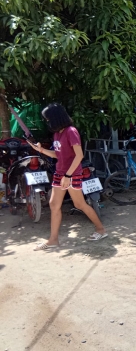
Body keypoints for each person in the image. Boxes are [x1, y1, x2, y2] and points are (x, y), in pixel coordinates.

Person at [28, 103, 106, 250]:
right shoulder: (57, 133)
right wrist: (41, 150)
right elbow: (58, 155)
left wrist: (68, 175)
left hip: (71, 173)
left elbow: (79, 155)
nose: (47, 121)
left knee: (79, 204)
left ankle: (101, 229)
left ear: (55, 117)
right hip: (60, 173)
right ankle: (53, 240)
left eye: (48, 118)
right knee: (54, 204)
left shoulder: (71, 131)